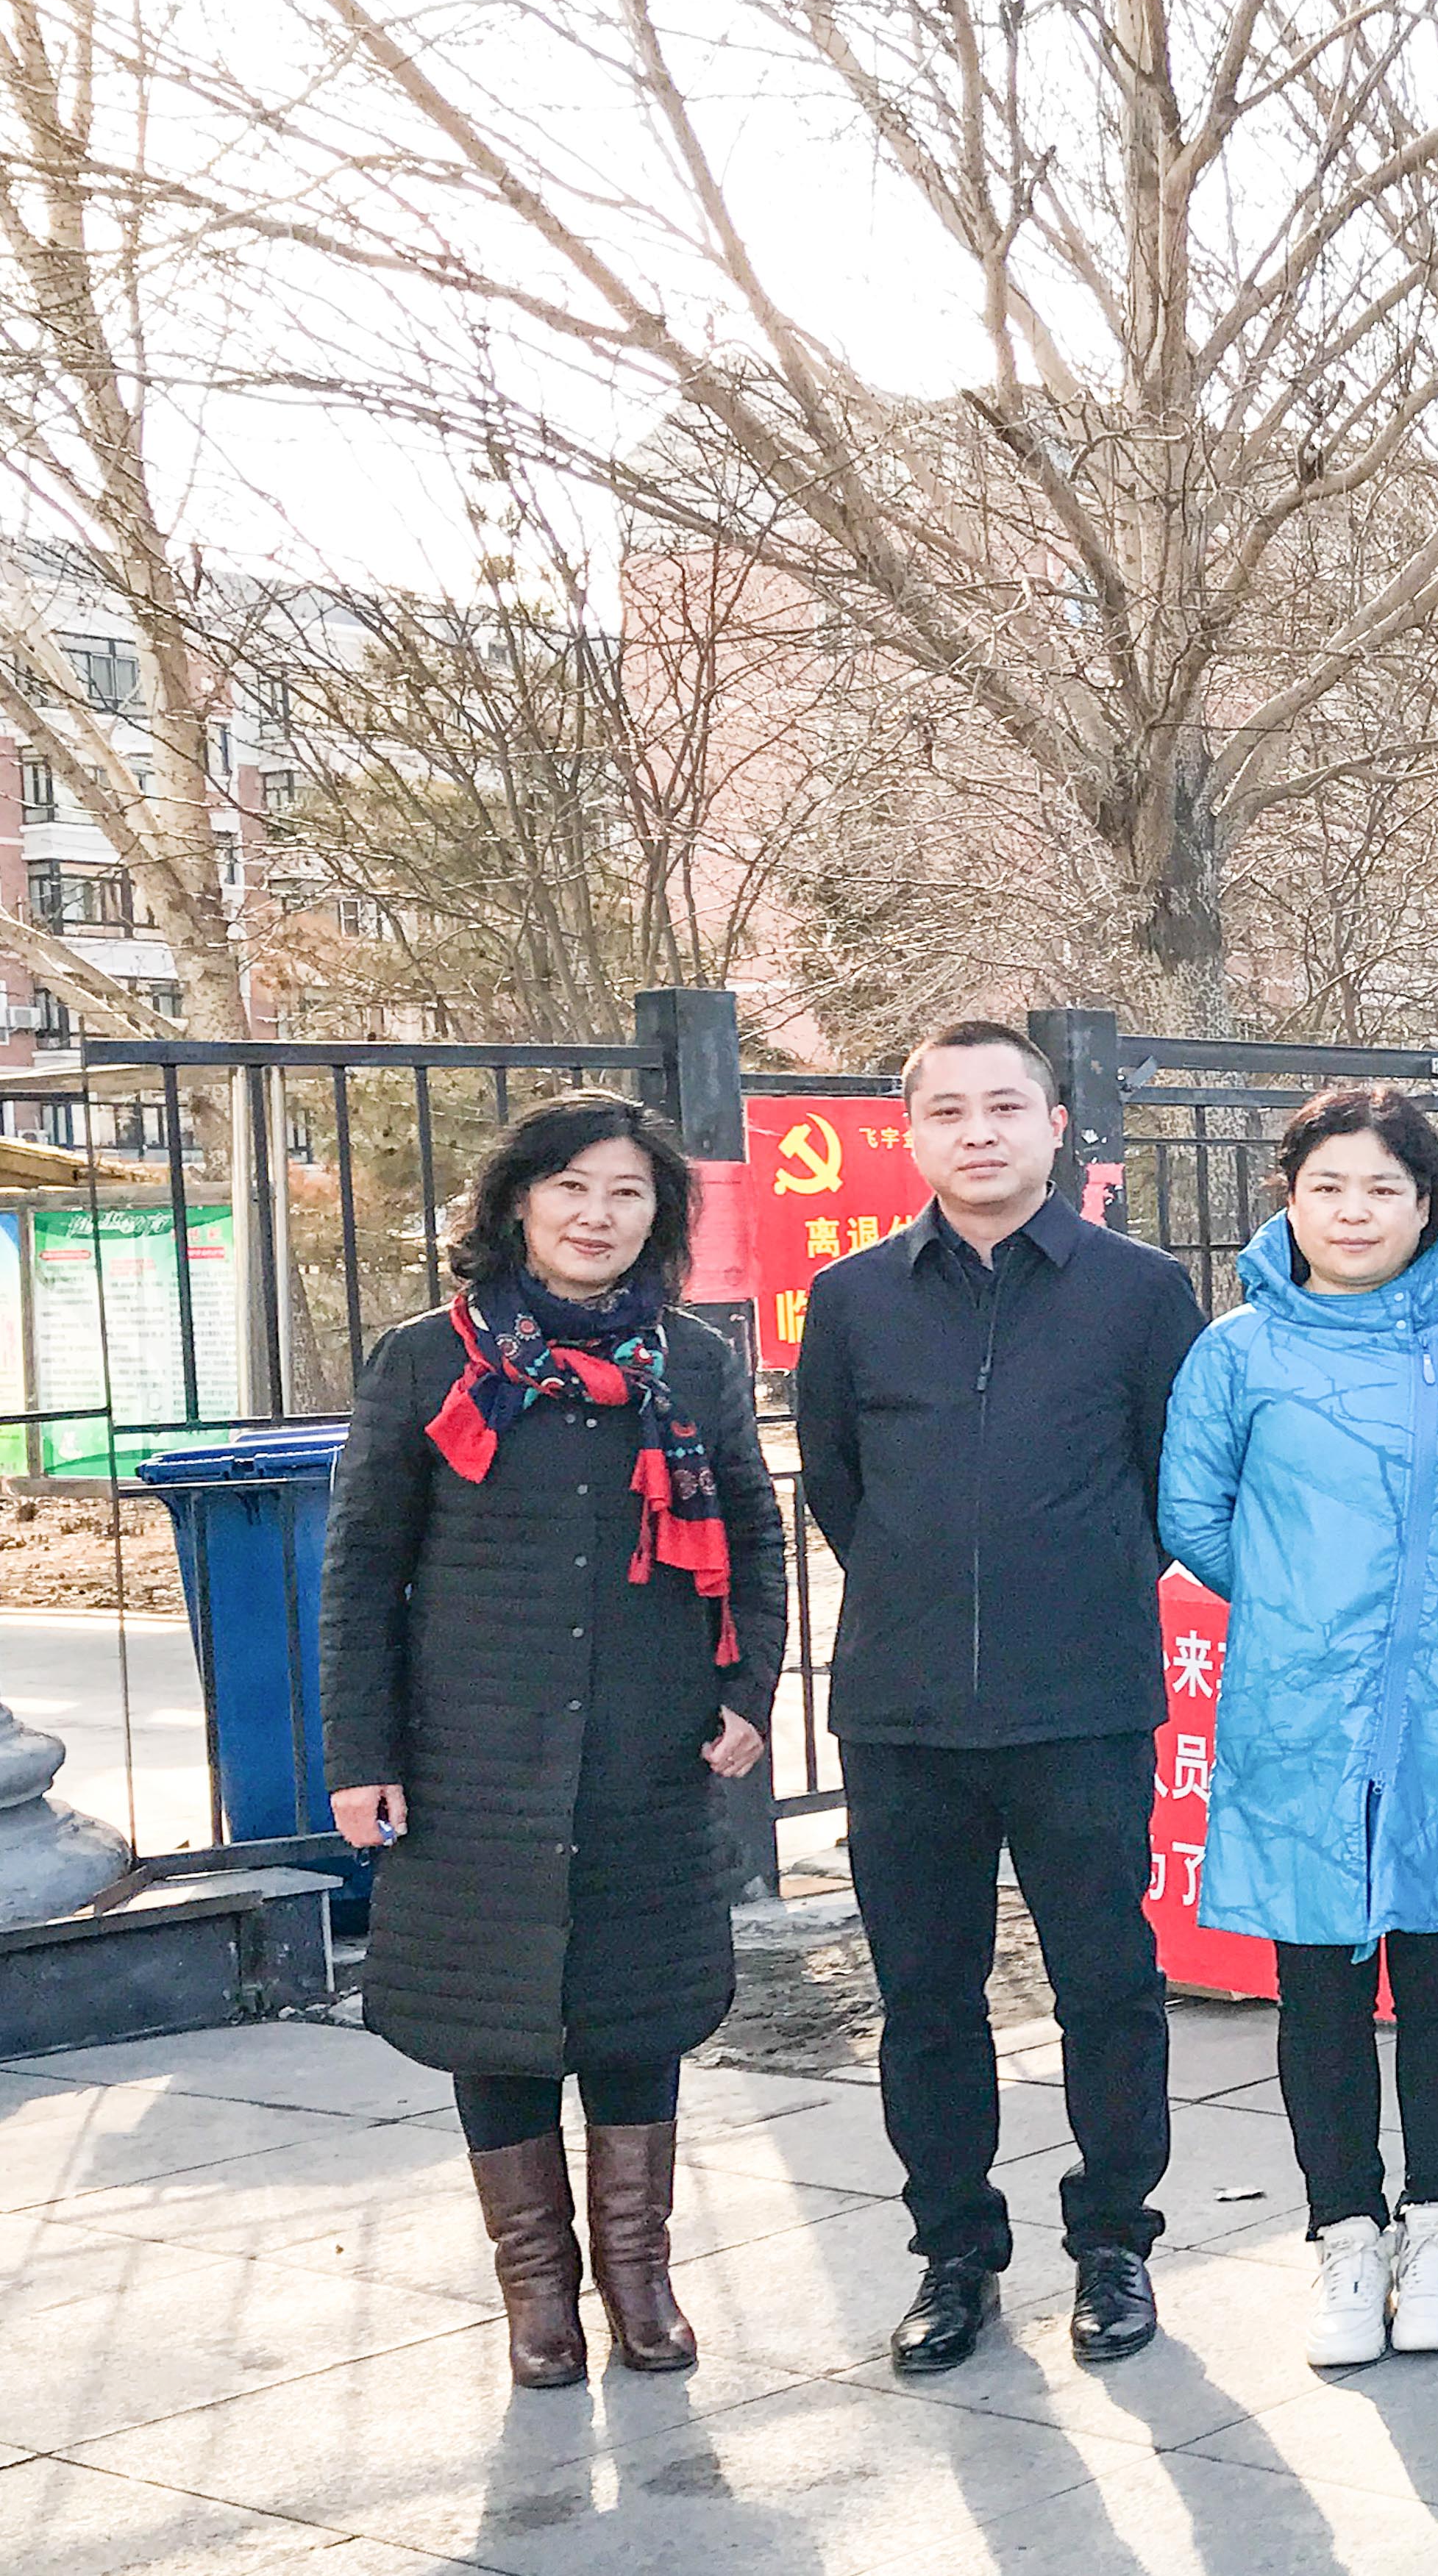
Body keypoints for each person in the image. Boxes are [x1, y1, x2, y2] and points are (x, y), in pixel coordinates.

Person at [321, 1092, 789, 2389]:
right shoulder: (431, 1358)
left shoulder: (692, 1361)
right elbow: (363, 1567)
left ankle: (638, 2275)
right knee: (498, 2019)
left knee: (635, 2011)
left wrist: (746, 1689)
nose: (598, 1216)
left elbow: (751, 1536)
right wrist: (361, 1756)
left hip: (645, 1743)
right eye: (573, 1188)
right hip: (471, 1748)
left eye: (628, 1193)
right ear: (519, 1202)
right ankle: (537, 2293)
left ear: (661, 1215)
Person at [797, 1019, 1209, 2376]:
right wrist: (933, 1590)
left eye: (1006, 1107)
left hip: (1081, 1696)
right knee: (925, 1997)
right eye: (949, 1112)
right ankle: (955, 2256)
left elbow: (1171, 1483)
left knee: (1109, 1985)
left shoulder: (1140, 1293)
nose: (978, 1133)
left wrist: (1072, 1582)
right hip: (905, 1709)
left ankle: (1115, 2246)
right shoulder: (854, 1298)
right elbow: (839, 1484)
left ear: (1055, 1125)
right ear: (909, 1133)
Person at [1158, 1088, 1438, 2367]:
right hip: (1301, 1701)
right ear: (1289, 1197)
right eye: (1329, 1185)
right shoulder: (1237, 1353)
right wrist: (1303, 1601)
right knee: (1317, 1984)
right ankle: (1342, 2235)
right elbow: (1194, 1514)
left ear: (1430, 1208)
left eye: (1385, 1189)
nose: (1355, 1212)